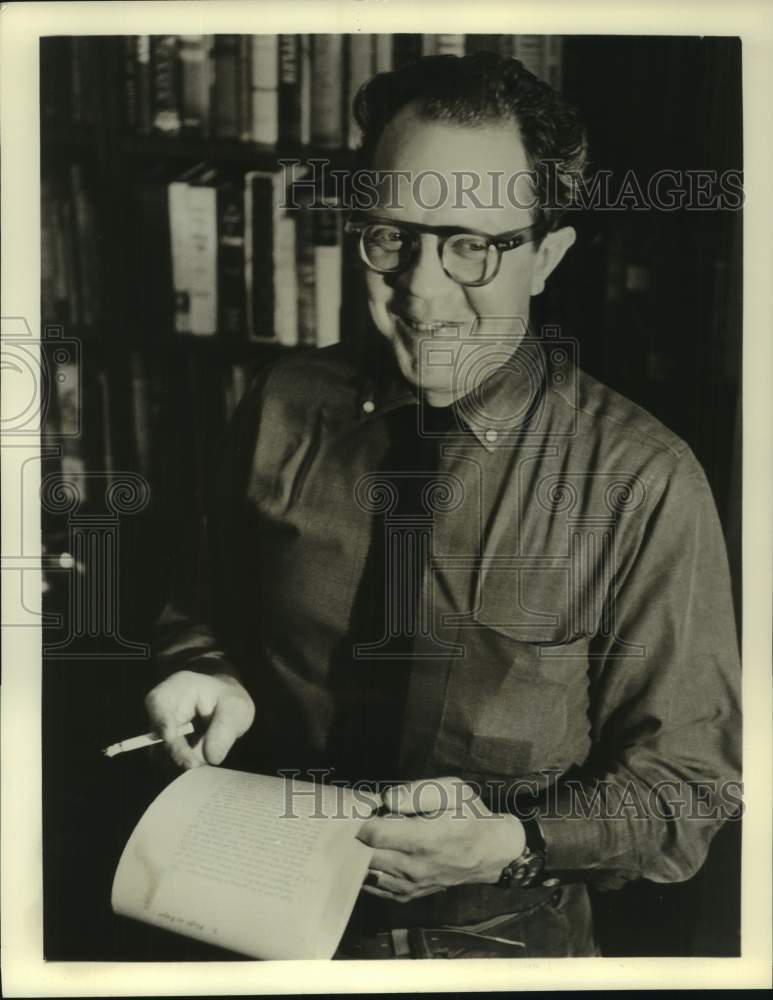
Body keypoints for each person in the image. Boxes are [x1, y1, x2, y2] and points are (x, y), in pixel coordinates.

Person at [146, 52, 741, 959]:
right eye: (392, 236)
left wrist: (510, 845)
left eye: (472, 245)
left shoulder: (645, 479)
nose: (420, 291)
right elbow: (205, 604)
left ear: (546, 255)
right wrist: (202, 666)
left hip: (498, 949)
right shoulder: (281, 399)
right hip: (239, 911)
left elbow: (687, 789)